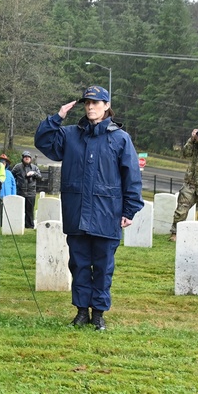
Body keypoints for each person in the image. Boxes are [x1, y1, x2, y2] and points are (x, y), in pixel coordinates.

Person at [35, 85, 143, 332]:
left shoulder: (120, 139)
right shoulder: (70, 135)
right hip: (77, 213)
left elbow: (132, 176)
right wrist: (58, 117)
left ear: (106, 106)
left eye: (96, 103)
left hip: (108, 213)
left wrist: (129, 209)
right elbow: (43, 141)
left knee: (103, 266)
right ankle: (81, 311)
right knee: (79, 264)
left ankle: (99, 314)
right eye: (87, 103)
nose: (91, 107)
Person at [12, 151, 43, 229]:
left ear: (30, 159)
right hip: (20, 192)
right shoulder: (17, 167)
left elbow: (40, 177)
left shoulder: (34, 168)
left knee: (29, 211)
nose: (27, 158)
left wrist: (34, 173)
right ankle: (18, 226)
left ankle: (29, 226)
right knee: (19, 210)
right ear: (22, 158)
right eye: (25, 157)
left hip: (31, 192)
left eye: (28, 157)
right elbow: (12, 177)